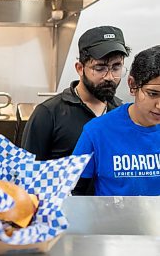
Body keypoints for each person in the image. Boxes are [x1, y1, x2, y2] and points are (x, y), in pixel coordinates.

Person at [21, 26, 131, 160]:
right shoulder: (49, 114)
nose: (109, 77)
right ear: (80, 68)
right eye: (100, 68)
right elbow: (27, 171)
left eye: (116, 67)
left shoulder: (122, 113)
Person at [72, 45, 160, 196]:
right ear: (132, 85)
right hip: (113, 218)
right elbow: (74, 192)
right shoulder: (97, 132)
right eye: (152, 94)